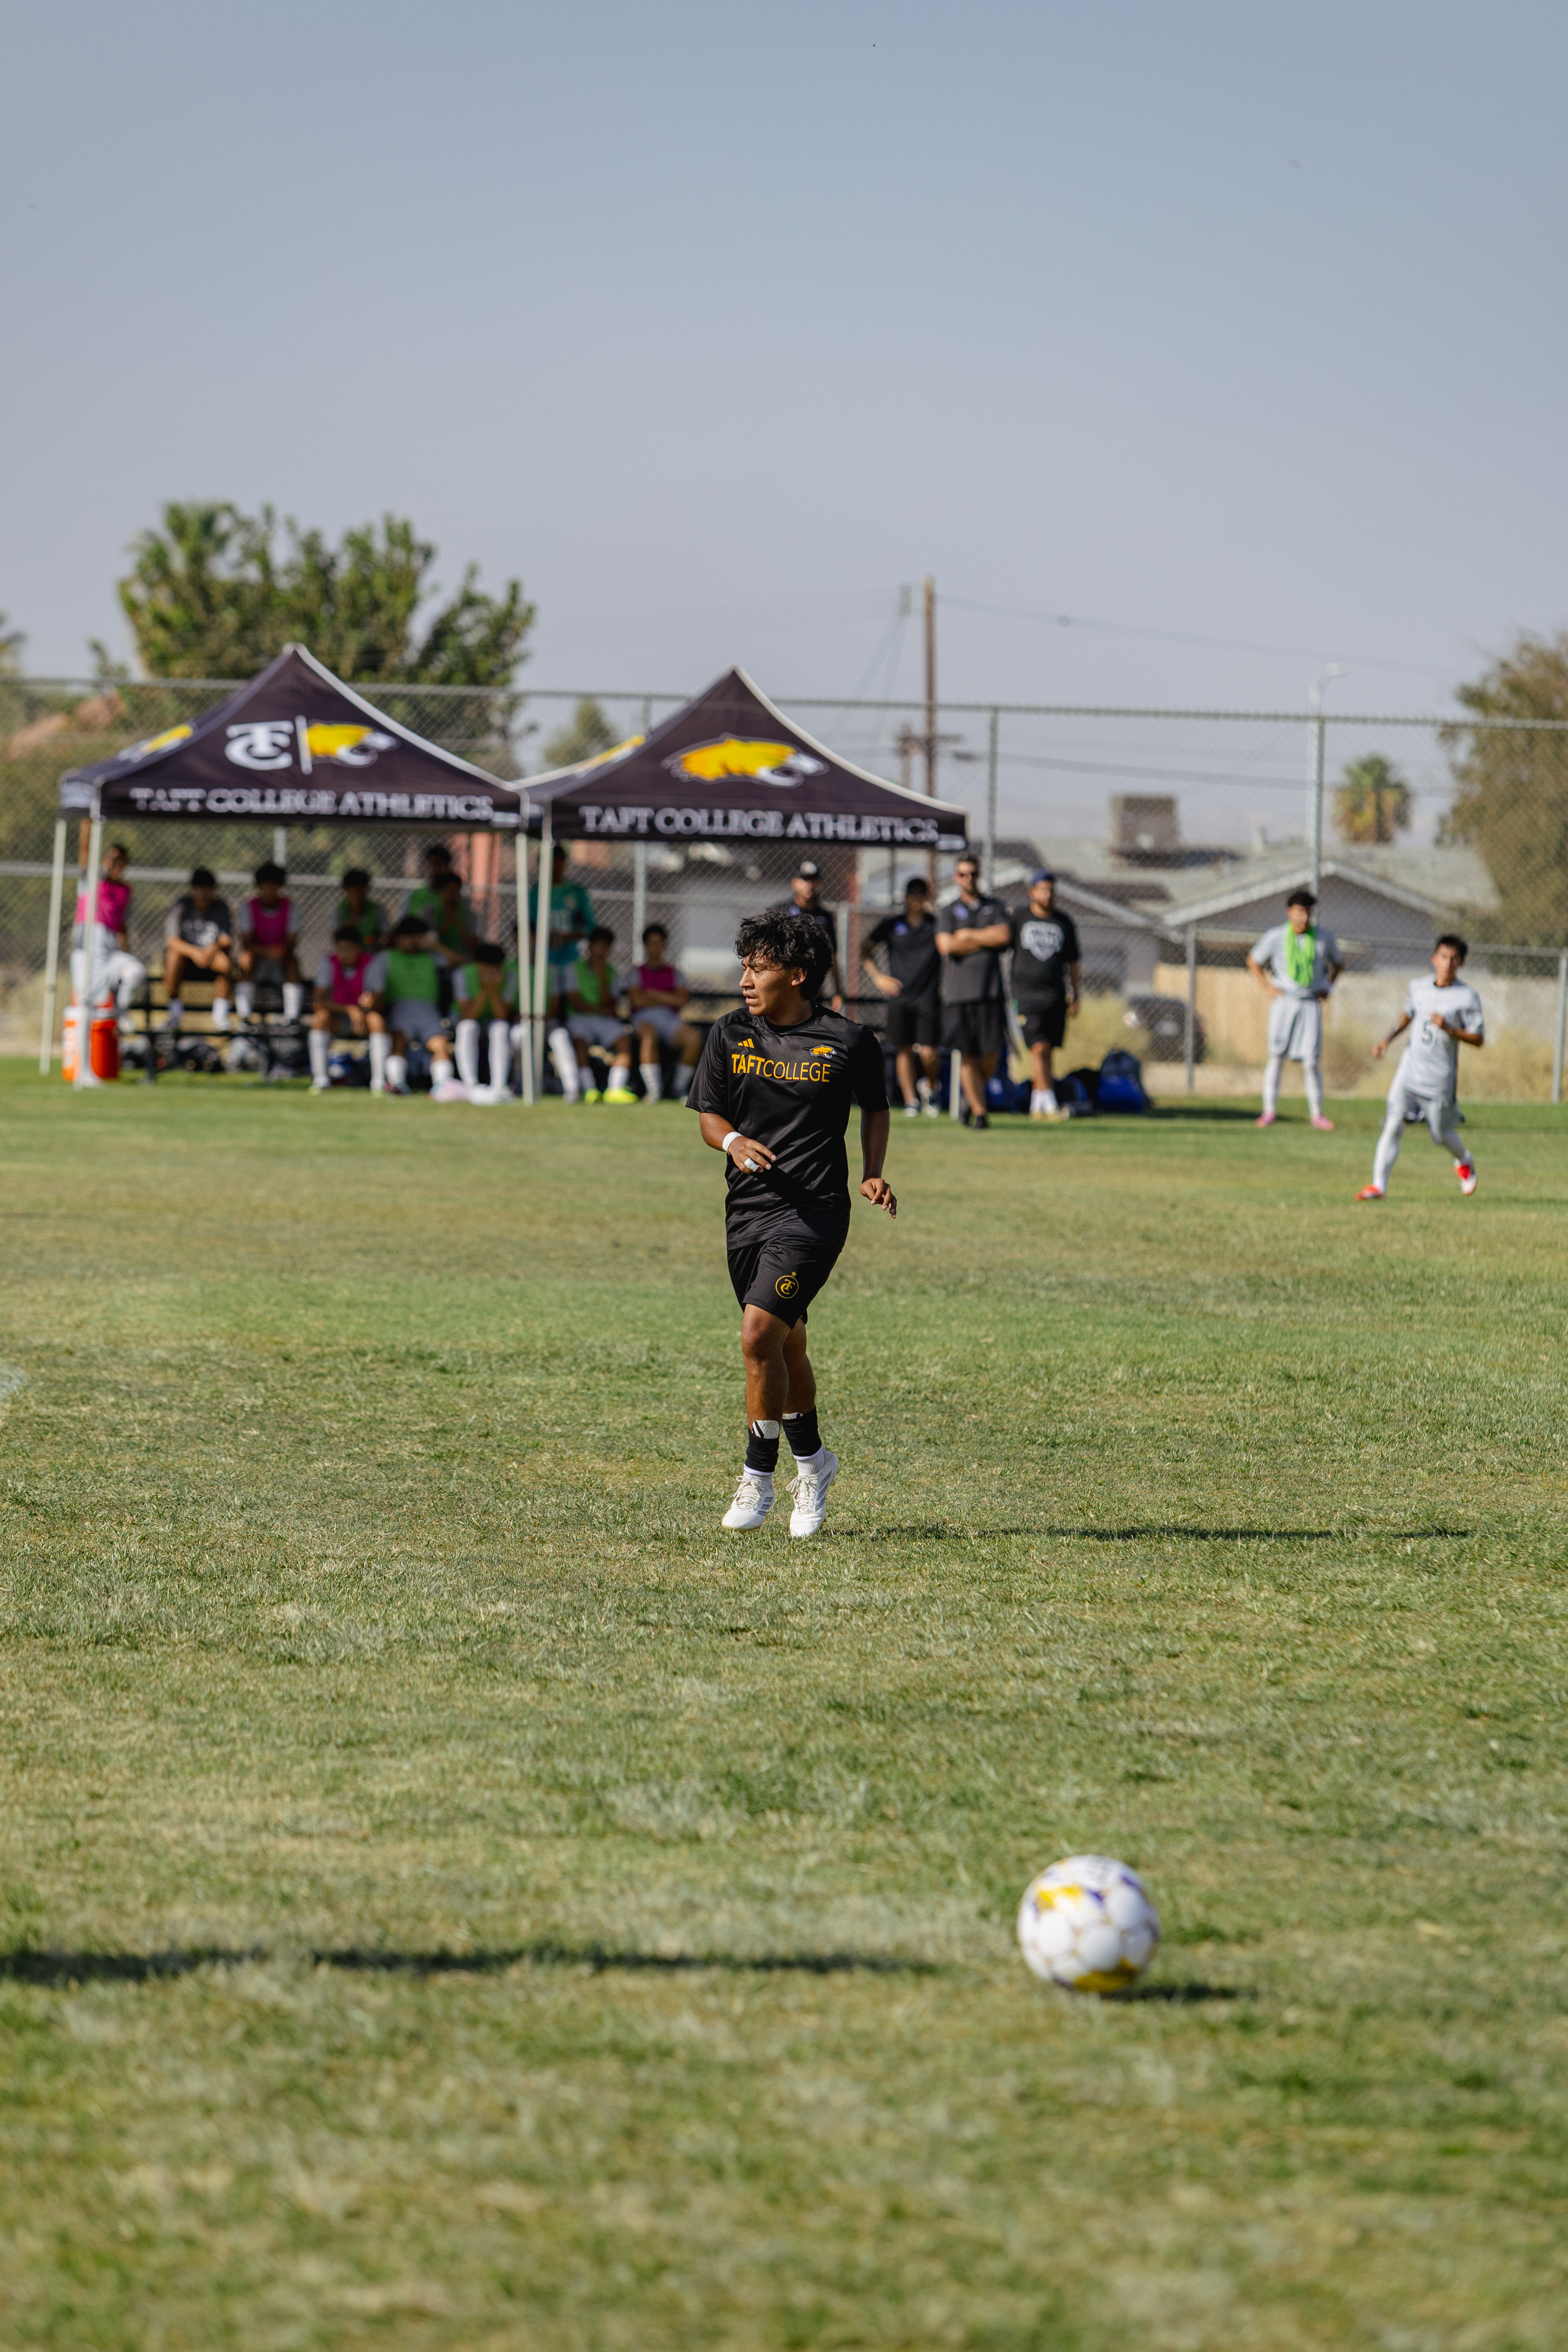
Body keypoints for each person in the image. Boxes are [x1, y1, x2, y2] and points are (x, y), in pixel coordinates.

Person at [690, 908, 894, 1538]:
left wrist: (873, 1171)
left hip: (815, 1212)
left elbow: (877, 1107)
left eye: (759, 968)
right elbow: (709, 1117)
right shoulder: (729, 1034)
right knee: (785, 1344)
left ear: (797, 975)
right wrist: (733, 1143)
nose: (745, 980)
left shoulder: (849, 1041)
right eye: (744, 967)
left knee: (758, 1336)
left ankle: (759, 1478)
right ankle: (816, 1463)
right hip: (748, 1211)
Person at [1357, 936, 1483, 1202]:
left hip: (1439, 1077)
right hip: (1410, 1068)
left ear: (1461, 963)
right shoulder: (1418, 987)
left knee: (1440, 1135)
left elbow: (1478, 1038)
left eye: (1454, 959)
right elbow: (1408, 1014)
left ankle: (1464, 1160)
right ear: (1434, 958)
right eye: (1444, 957)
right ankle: (1379, 1186)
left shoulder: (1467, 997)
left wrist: (1450, 1030)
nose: (1448, 963)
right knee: (1393, 1123)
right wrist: (1387, 1040)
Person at [1247, 888, 1343, 1130]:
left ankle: (1317, 1115)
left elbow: (1339, 963)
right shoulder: (1276, 936)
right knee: (1276, 1056)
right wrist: (1267, 987)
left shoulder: (1323, 938)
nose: (1304, 917)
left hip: (1310, 1002)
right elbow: (1254, 960)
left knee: (1311, 1061)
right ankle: (1269, 1111)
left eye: (1308, 912)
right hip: (1284, 1002)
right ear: (1290, 912)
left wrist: (1328, 987)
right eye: (1300, 912)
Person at [936, 852, 1012, 1128]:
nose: (968, 879)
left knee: (992, 1053)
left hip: (991, 993)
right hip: (959, 995)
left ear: (979, 875)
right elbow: (946, 945)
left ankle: (971, 1097)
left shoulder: (995, 906)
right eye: (963, 874)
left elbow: (1004, 936)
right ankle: (980, 1113)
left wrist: (968, 936)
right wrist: (985, 939)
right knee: (967, 1054)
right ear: (956, 877)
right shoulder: (948, 910)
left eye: (973, 874)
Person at [862, 875, 942, 1116]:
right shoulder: (892, 924)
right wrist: (879, 978)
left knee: (929, 1052)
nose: (917, 898)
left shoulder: (937, 925)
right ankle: (911, 1101)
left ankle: (930, 1088)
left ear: (928, 896)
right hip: (900, 997)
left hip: (928, 997)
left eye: (921, 893)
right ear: (906, 897)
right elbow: (866, 949)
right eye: (912, 893)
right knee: (904, 1049)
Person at [1009, 870, 1082, 1120]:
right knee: (1038, 1047)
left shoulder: (1063, 922)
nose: (1047, 895)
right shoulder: (1020, 918)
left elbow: (1073, 962)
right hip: (1027, 996)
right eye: (1042, 890)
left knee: (1048, 1049)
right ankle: (1050, 1104)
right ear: (1032, 892)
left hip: (1055, 996)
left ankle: (1037, 1103)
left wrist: (1076, 994)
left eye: (1051, 890)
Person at [364, 913, 456, 1094]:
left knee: (440, 1045)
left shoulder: (431, 957)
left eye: (417, 937)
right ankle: (397, 1084)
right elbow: (375, 990)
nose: (412, 942)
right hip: (400, 1010)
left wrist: (432, 945)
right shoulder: (386, 958)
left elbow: (458, 961)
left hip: (429, 1012)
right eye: (408, 937)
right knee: (398, 1042)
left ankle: (442, 1087)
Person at [628, 922, 702, 1102]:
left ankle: (678, 1089)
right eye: (652, 943)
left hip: (670, 1020)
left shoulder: (675, 973)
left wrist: (653, 994)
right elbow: (638, 1001)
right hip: (643, 1019)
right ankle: (654, 1091)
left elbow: (683, 1000)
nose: (656, 948)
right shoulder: (635, 972)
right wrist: (669, 997)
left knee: (694, 1038)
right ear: (645, 946)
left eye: (659, 943)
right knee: (649, 1036)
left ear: (665, 945)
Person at [71, 840, 147, 1013]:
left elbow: (123, 925)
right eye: (113, 860)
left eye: (121, 861)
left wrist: (125, 949)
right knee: (85, 1002)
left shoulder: (125, 890)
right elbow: (84, 852)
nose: (116, 865)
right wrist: (88, 824)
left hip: (110, 951)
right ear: (105, 861)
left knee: (135, 972)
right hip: (86, 950)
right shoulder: (92, 881)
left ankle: (121, 1012)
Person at [309, 923, 386, 1091]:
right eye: (340, 949)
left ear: (358, 948)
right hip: (338, 1019)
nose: (344, 953)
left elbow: (379, 999)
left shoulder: (371, 963)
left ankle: (379, 1082)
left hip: (363, 1021)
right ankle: (321, 1080)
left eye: (349, 949)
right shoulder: (328, 962)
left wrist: (371, 1002)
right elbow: (319, 1001)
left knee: (377, 1021)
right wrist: (350, 1010)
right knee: (320, 1018)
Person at [566, 925, 634, 1102]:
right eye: (598, 945)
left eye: (605, 946)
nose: (601, 950)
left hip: (604, 1020)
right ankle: (589, 1089)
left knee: (624, 1040)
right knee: (580, 1043)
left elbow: (611, 1005)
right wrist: (603, 1011)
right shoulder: (573, 968)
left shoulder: (612, 972)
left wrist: (602, 977)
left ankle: (615, 1089)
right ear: (589, 946)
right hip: (580, 1019)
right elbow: (576, 1004)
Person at [162, 867, 234, 1033]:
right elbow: (172, 941)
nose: (203, 893)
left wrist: (210, 951)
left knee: (225, 963)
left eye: (208, 889)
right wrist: (195, 953)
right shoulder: (180, 906)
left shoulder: (221, 906)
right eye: (199, 888)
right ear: (192, 890)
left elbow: (226, 939)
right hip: (186, 961)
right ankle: (174, 1014)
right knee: (173, 957)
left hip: (210, 959)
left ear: (214, 890)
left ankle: (221, 1016)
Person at [768, 860, 844, 1007]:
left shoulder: (824, 917)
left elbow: (832, 954)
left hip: (812, 990)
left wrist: (838, 990)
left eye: (813, 880)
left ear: (820, 884)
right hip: (783, 986)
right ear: (795, 883)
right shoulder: (780, 912)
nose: (809, 885)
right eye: (805, 880)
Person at [236, 861, 303, 1024]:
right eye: (265, 885)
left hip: (281, 960)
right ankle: (245, 1018)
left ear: (280, 886)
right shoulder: (248, 907)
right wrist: (266, 952)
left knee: (293, 963)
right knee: (246, 960)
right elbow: (247, 943)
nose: (269, 890)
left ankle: (292, 1019)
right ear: (259, 886)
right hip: (258, 961)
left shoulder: (292, 908)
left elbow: (291, 943)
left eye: (274, 885)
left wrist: (279, 952)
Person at [531, 842, 595, 1012]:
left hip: (572, 958)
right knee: (547, 1005)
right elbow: (527, 927)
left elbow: (590, 927)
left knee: (570, 1005)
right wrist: (545, 938)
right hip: (543, 959)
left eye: (558, 863)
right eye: (549, 863)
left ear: (564, 864)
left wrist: (565, 937)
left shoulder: (577, 893)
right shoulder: (535, 894)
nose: (554, 868)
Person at [453, 942, 519, 1097]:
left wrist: (493, 990)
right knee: (467, 1027)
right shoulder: (463, 974)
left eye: (495, 967)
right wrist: (485, 989)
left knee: (501, 1028)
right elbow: (469, 1015)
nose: (491, 971)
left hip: (493, 1021)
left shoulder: (510, 976)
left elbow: (502, 1015)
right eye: (486, 967)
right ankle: (470, 1085)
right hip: (468, 1020)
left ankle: (499, 1085)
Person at [334, 867, 385, 946]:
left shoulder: (377, 909)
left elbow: (387, 936)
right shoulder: (338, 910)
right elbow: (337, 939)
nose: (357, 895)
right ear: (346, 890)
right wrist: (355, 915)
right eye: (354, 891)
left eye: (360, 890)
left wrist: (373, 941)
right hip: (349, 953)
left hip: (372, 952)